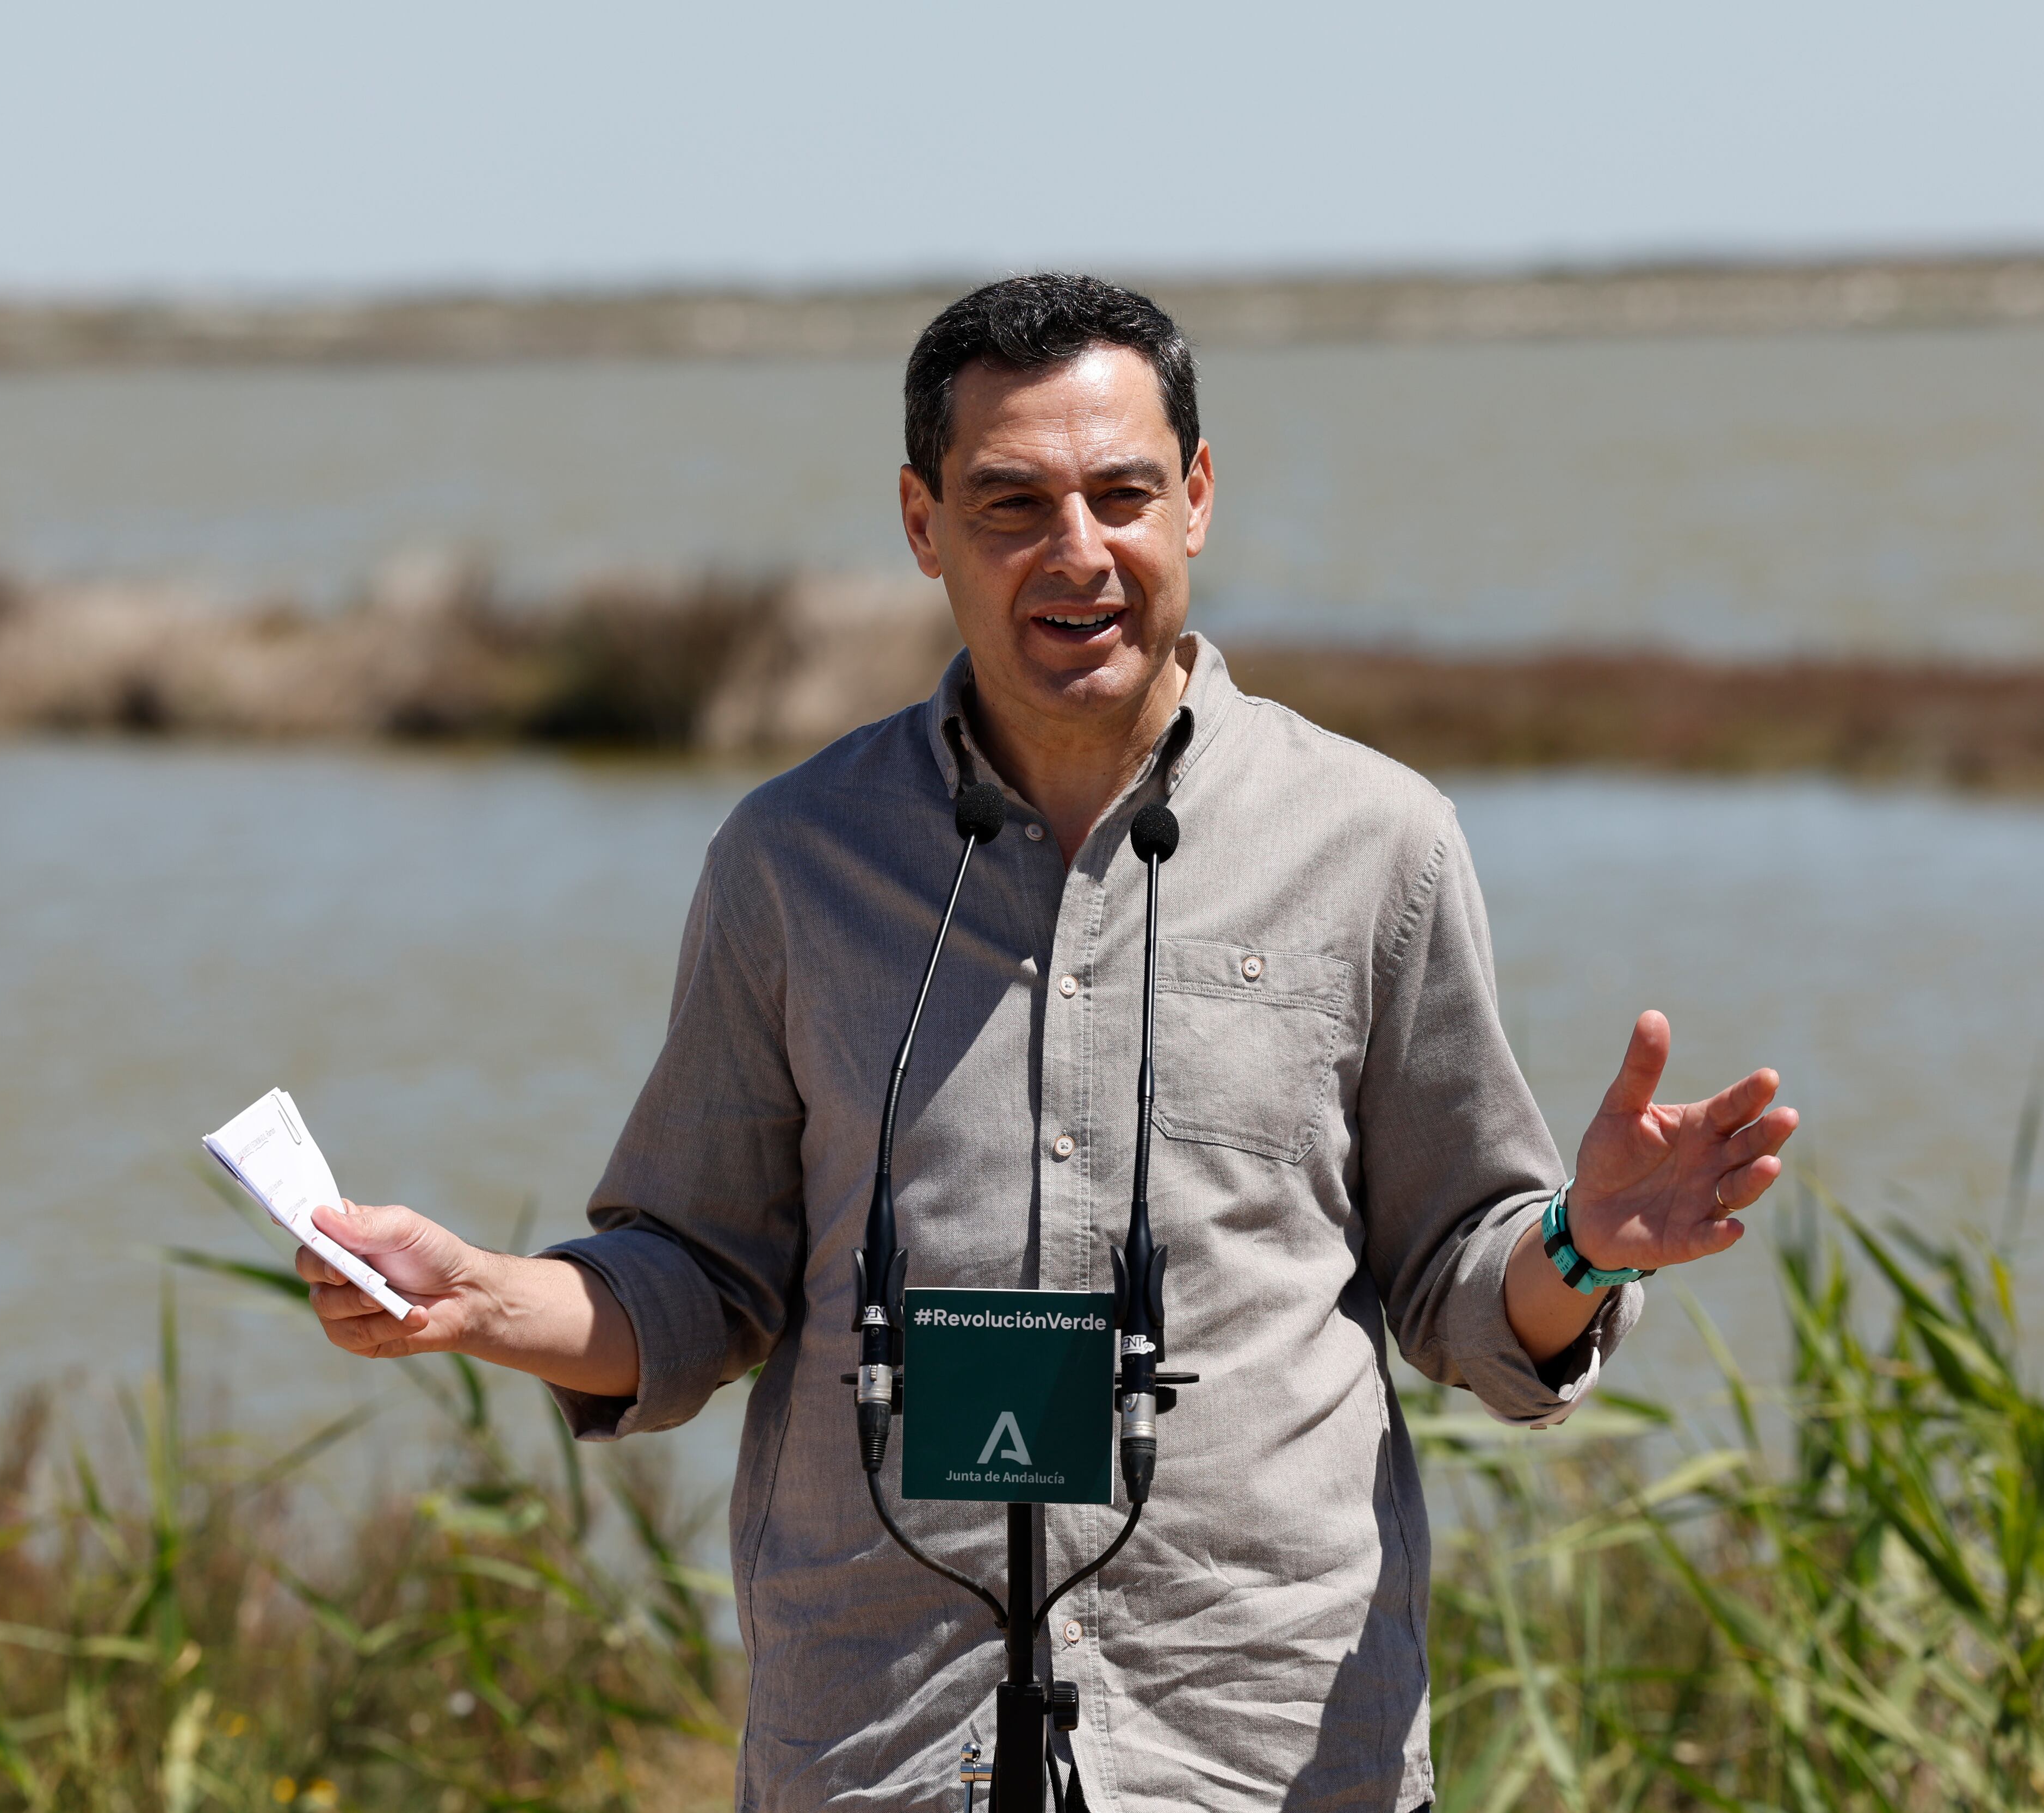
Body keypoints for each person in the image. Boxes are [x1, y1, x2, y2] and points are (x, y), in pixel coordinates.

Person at [295, 274, 1799, 1812]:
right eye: (1010, 503)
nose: (1075, 553)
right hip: (880, 1746)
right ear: (920, 521)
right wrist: (481, 1296)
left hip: (1260, 1747)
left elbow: (1463, 1282)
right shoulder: (791, 858)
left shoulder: (1376, 842)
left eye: (1121, 494)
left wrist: (1587, 1245)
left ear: (1197, 499)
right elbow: (701, 1280)